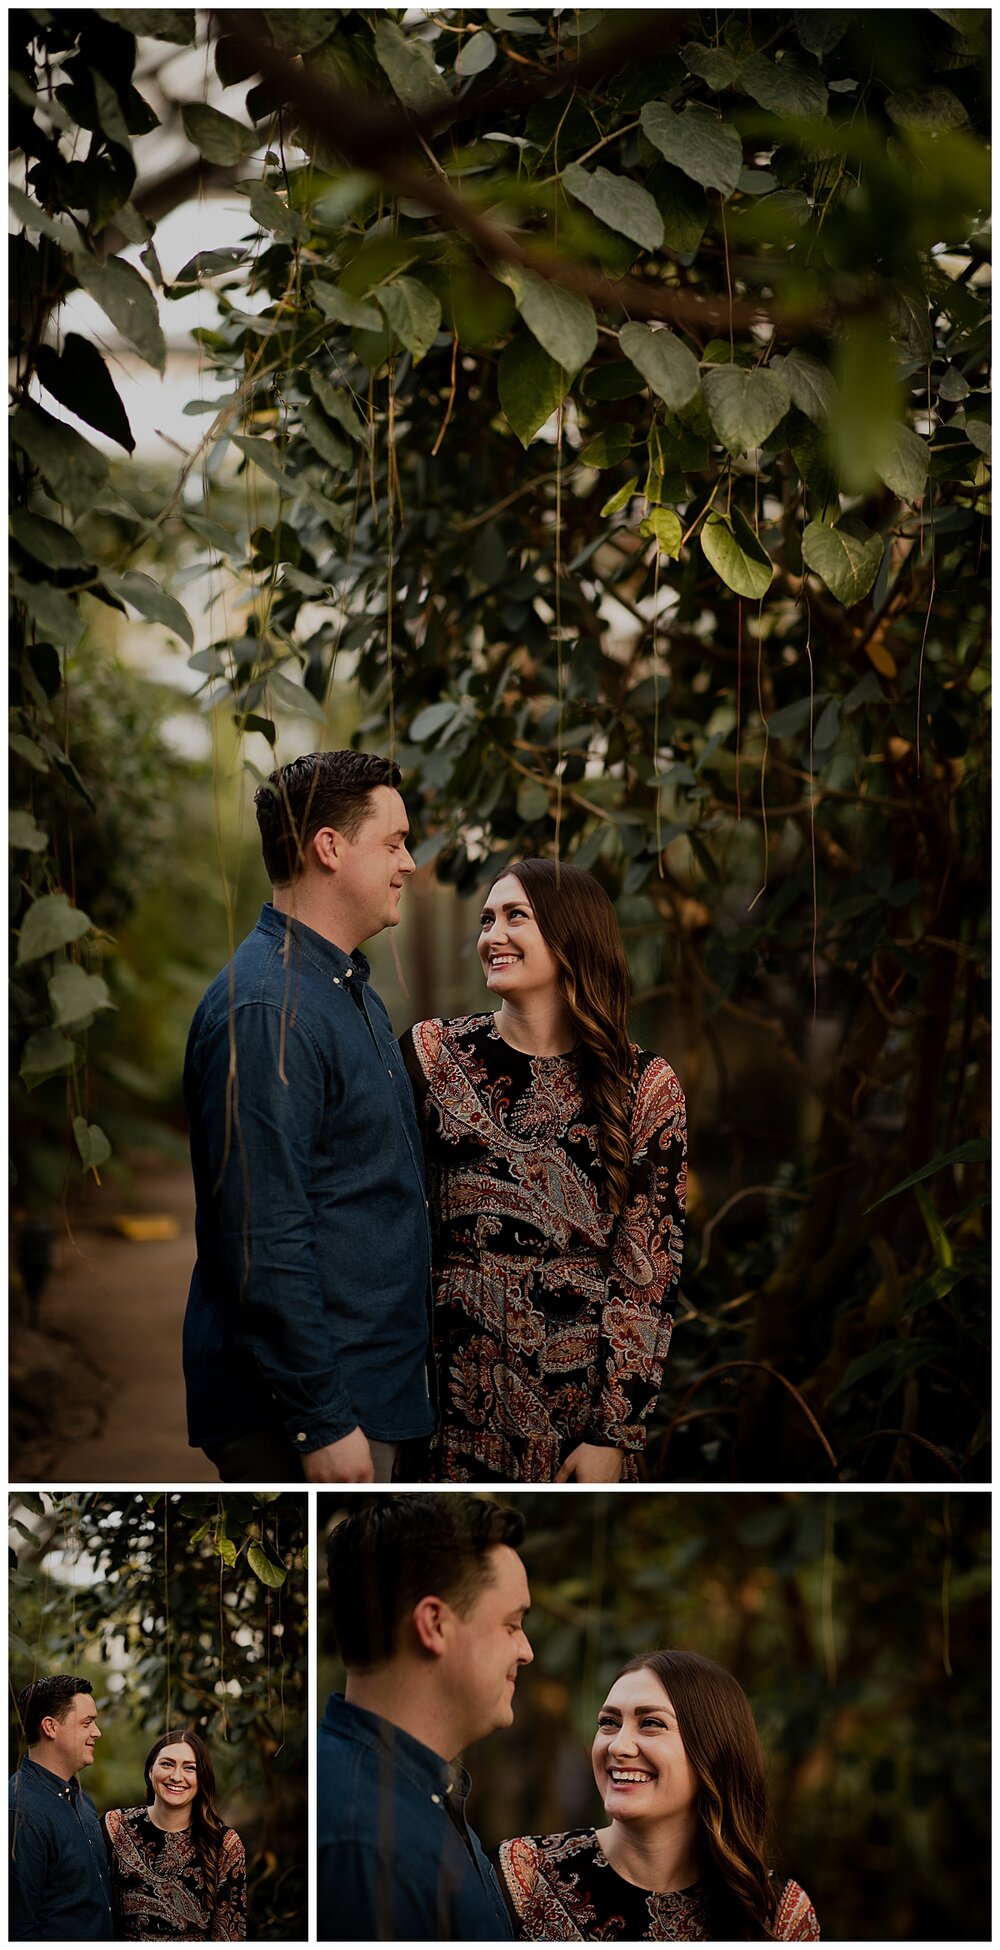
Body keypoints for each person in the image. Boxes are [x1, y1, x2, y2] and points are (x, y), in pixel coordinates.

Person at [183, 748, 434, 1483]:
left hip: (370, 1393)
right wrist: (320, 1419)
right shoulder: (269, 1008)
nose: (410, 863)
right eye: (393, 841)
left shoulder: (341, 986)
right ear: (330, 847)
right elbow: (263, 1234)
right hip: (314, 1416)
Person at [400, 857, 686, 1483]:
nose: (491, 935)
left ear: (570, 934)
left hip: (578, 1419)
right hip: (451, 1401)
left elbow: (647, 1274)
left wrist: (614, 1434)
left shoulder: (645, 1086)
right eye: (486, 919)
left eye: (515, 917)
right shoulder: (433, 1056)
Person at [318, 1492, 533, 1940]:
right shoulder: (365, 1843)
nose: (526, 1651)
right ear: (434, 1624)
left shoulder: (422, 1792)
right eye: (512, 1626)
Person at [494, 1649, 820, 1941]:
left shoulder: (777, 1915)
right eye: (609, 1722)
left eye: (650, 1723)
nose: (618, 1745)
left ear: (713, 1751)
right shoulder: (525, 1874)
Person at [104, 1728, 246, 1940]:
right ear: (151, 1771)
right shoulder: (116, 1827)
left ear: (202, 1778)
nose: (177, 1776)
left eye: (189, 1768)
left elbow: (229, 1935)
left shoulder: (225, 1844)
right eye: (167, 1764)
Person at [8, 1674, 115, 1940]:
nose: (97, 1732)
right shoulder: (19, 1813)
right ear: (50, 1727)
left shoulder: (81, 1801)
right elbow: (19, 1929)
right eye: (87, 1723)